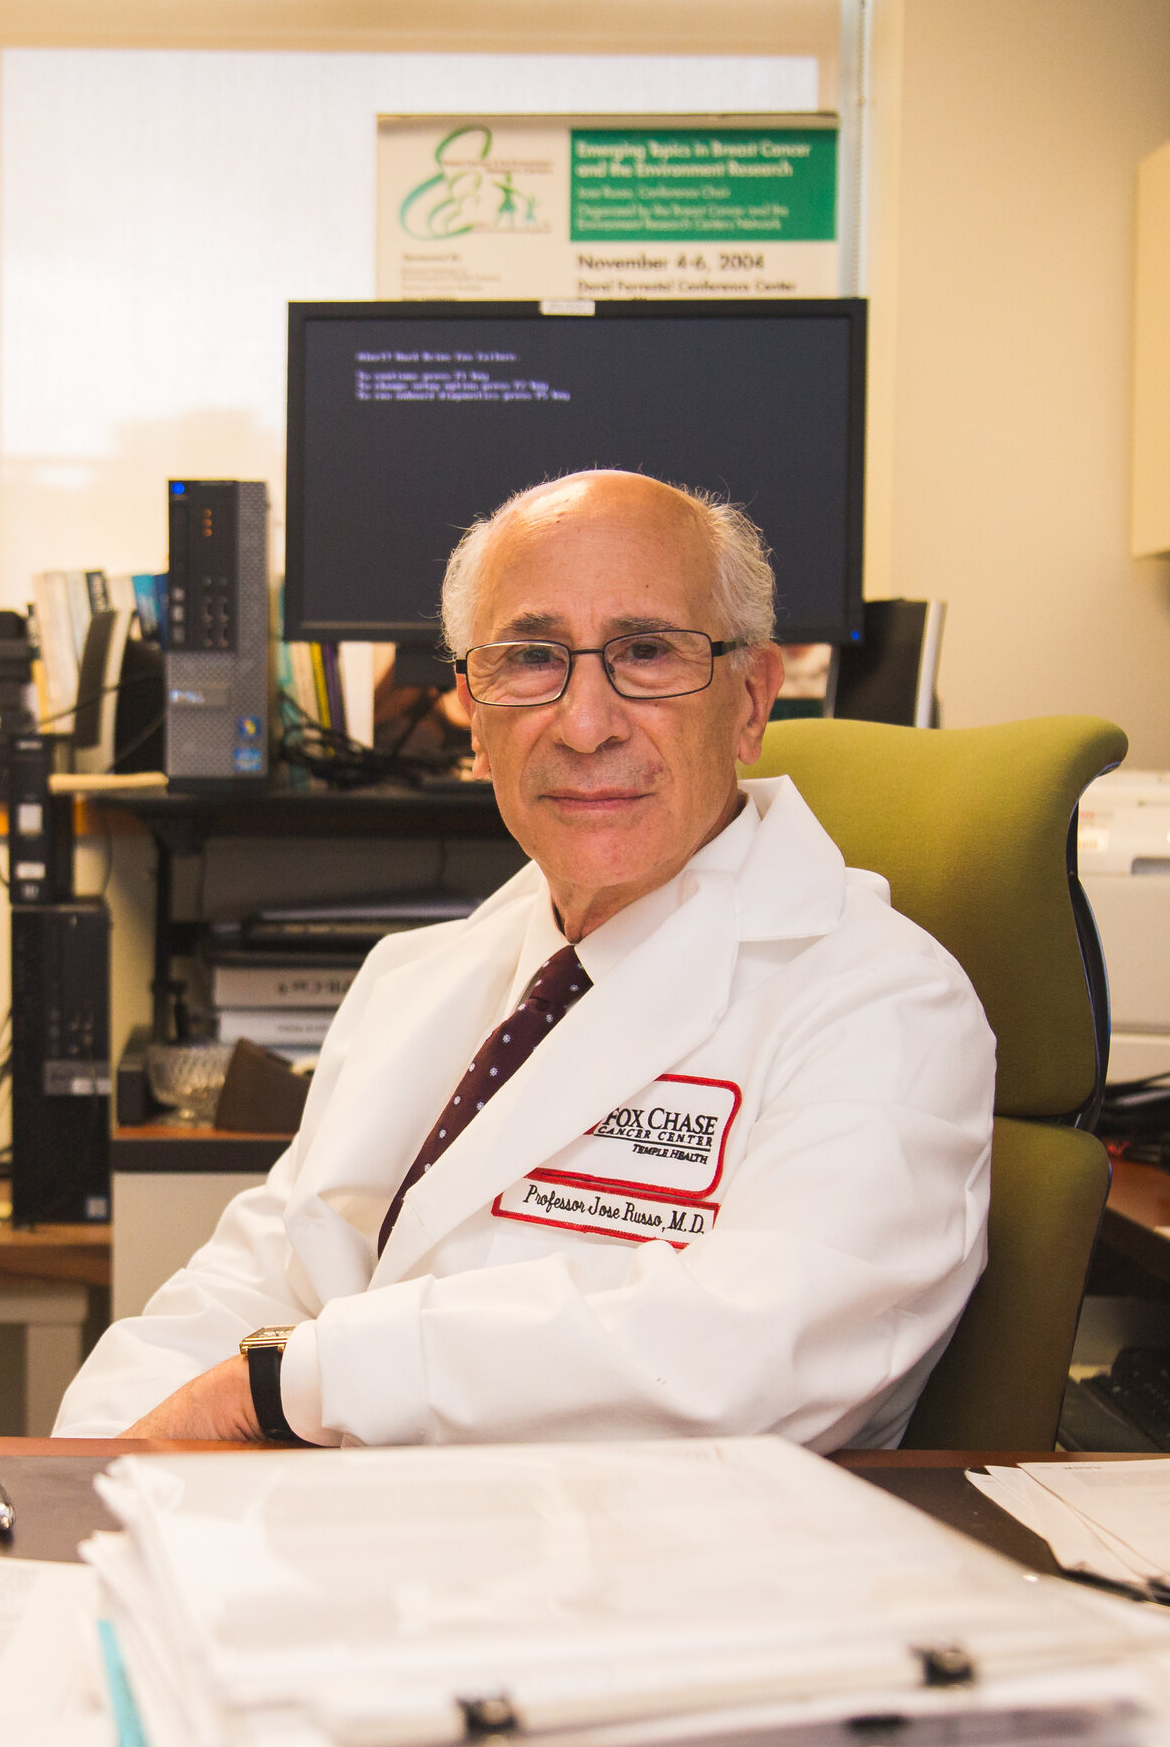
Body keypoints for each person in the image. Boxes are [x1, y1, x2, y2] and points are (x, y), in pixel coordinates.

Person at [53, 470, 997, 1450]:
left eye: (647, 652)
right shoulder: (417, 979)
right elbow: (249, 1279)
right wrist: (89, 1469)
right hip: (363, 1548)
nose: (586, 723)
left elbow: (752, 1355)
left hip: (662, 1578)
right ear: (472, 711)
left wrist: (289, 1386)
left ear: (752, 700)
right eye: (531, 659)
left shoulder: (883, 1003)